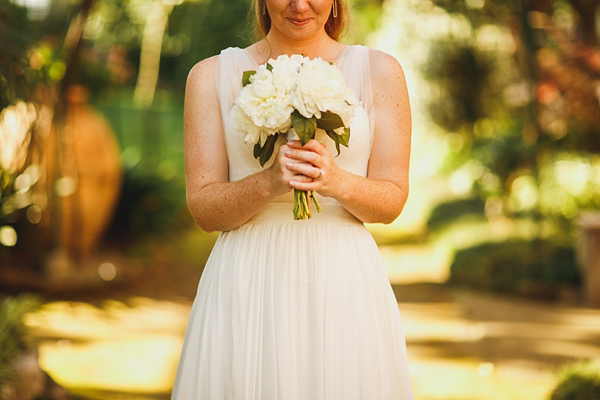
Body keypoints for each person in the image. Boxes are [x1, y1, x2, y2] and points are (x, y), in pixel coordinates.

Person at [171, 0, 413, 398]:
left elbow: (392, 200)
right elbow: (203, 208)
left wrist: (334, 180)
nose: (300, 5)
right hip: (247, 281)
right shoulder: (211, 76)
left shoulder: (379, 72)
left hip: (343, 281)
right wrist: (270, 182)